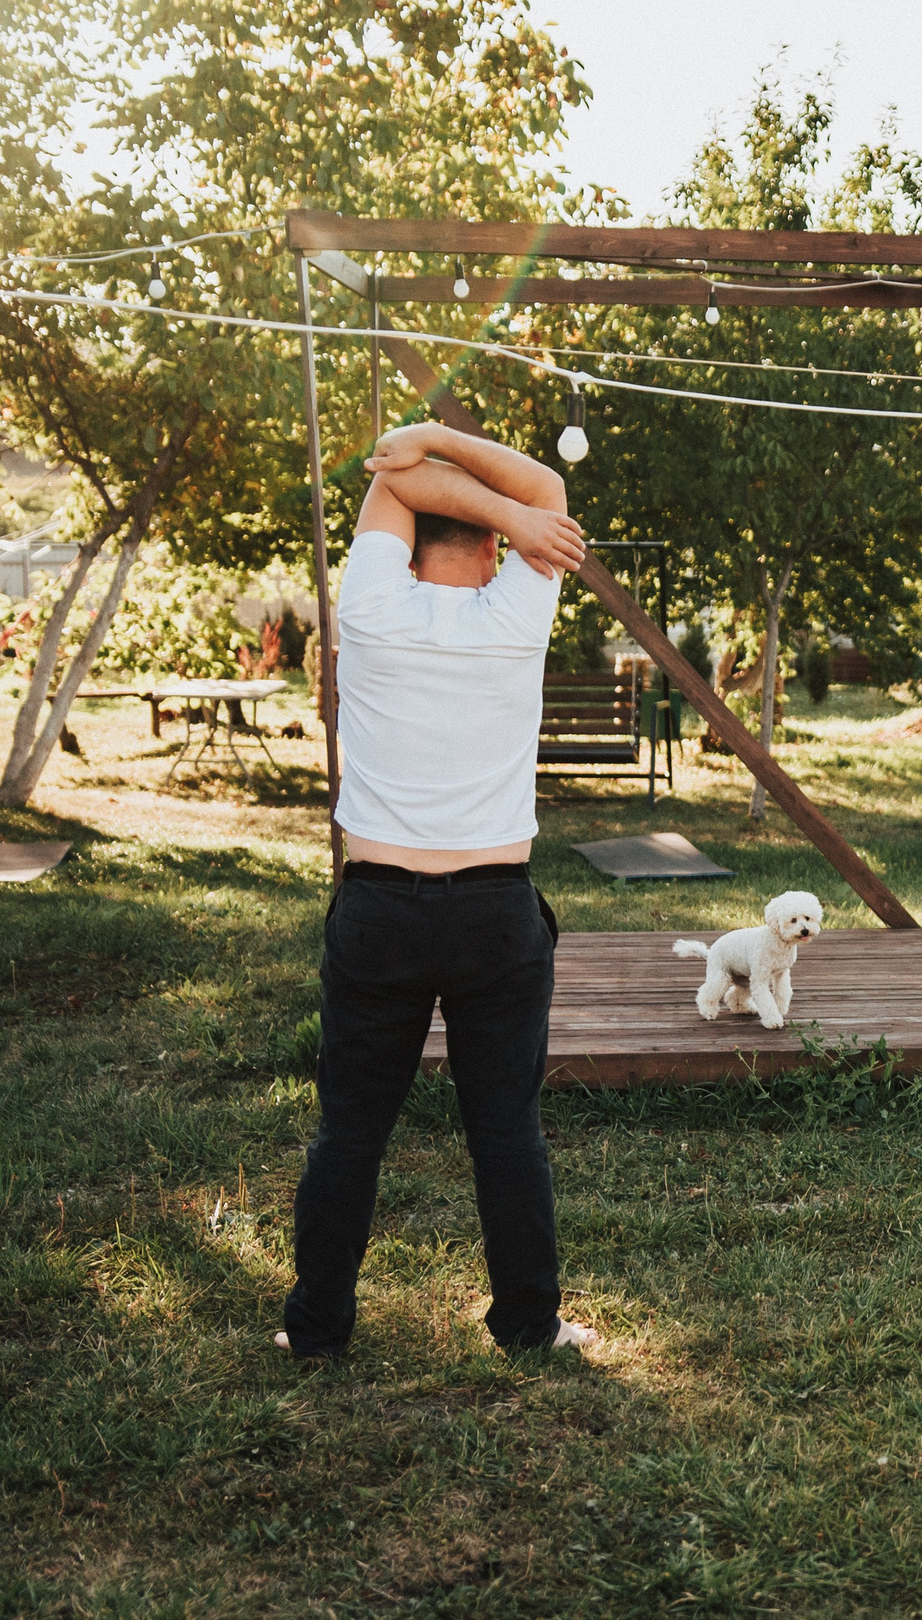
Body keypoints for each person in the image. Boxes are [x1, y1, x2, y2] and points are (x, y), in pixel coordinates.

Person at [276, 421, 597, 1360]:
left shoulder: (371, 603)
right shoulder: (515, 613)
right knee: (507, 1133)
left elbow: (395, 474)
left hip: (377, 907)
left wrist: (417, 447)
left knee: (350, 1134)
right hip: (495, 911)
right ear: (500, 552)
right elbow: (541, 489)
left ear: (402, 547)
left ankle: (318, 1332)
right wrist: (448, 436)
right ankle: (530, 1329)